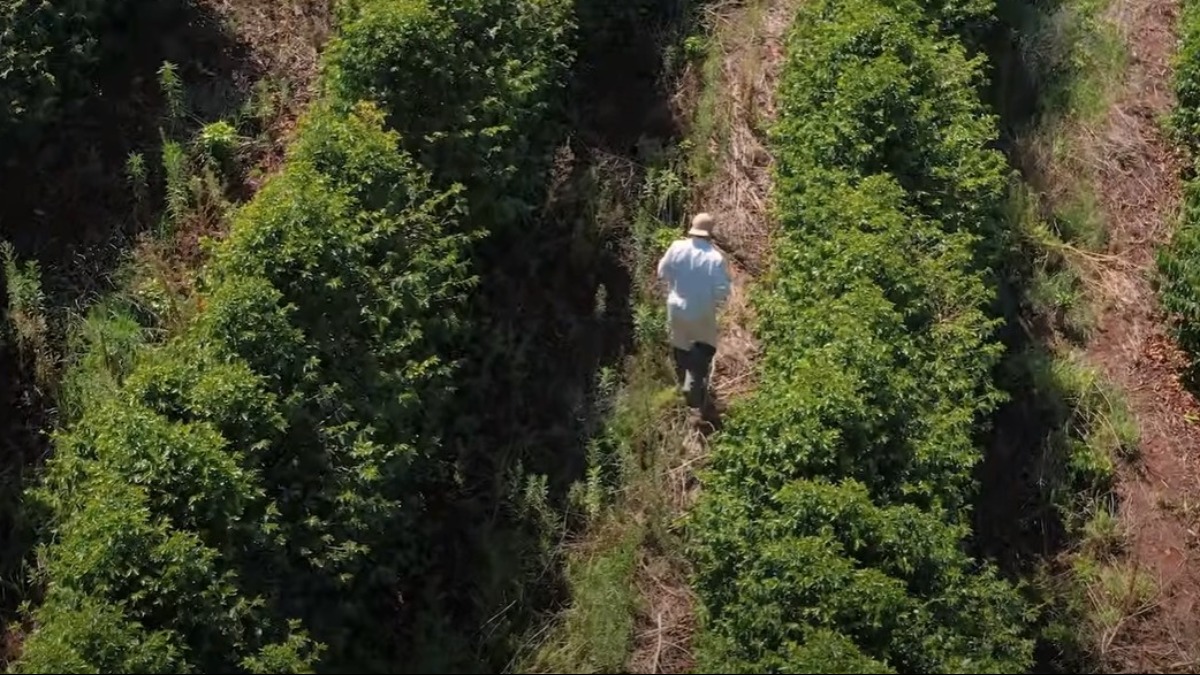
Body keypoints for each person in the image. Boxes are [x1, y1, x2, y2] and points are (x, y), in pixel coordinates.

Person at [656, 212, 731, 408]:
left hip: (676, 307)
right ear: (710, 233)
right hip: (701, 311)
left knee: (680, 344)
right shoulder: (715, 258)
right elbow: (722, 291)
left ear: (692, 228)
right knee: (705, 347)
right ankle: (694, 385)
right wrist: (709, 297)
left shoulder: (676, 247)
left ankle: (683, 382)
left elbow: (662, 272)